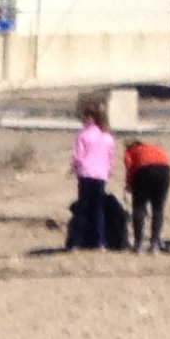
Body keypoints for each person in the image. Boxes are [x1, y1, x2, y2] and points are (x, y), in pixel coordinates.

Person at [66, 101, 115, 251]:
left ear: (91, 118)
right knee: (98, 209)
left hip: (86, 174)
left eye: (84, 117)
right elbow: (110, 158)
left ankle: (76, 242)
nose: (83, 120)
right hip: (101, 176)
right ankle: (100, 242)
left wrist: (73, 168)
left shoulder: (83, 135)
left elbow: (79, 156)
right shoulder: (108, 137)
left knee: (83, 209)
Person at [121, 137, 170, 254]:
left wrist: (129, 185)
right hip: (164, 170)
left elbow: (130, 168)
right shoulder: (154, 148)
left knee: (139, 207)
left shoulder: (130, 151)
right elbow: (166, 160)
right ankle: (155, 243)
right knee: (158, 208)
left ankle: (138, 244)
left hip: (144, 170)